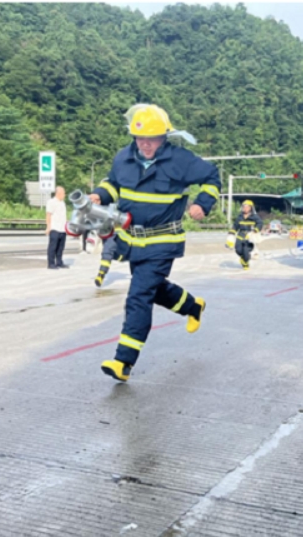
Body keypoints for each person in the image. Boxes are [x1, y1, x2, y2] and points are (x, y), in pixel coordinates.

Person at [89, 103, 221, 382]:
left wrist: (203, 203)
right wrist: (101, 194)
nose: (145, 144)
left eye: (152, 138)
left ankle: (123, 362)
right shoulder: (123, 158)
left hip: (163, 241)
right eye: (140, 138)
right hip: (132, 242)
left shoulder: (181, 160)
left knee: (138, 296)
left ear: (165, 136)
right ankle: (193, 307)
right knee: (153, 289)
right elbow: (113, 183)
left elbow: (212, 177)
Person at [230, 200, 263, 270]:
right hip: (240, 235)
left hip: (249, 236)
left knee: (245, 250)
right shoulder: (240, 217)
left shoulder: (255, 217)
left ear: (250, 208)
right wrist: (231, 233)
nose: (245, 208)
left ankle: (246, 264)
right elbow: (235, 226)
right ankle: (244, 258)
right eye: (244, 207)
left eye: (247, 207)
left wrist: (255, 230)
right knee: (238, 250)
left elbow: (260, 223)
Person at [46, 186, 69, 269]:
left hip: (63, 229)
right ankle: (51, 263)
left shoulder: (63, 203)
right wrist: (48, 227)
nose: (65, 195)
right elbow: (48, 215)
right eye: (64, 193)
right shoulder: (51, 202)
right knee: (53, 247)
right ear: (59, 193)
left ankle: (59, 262)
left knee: (60, 247)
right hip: (54, 228)